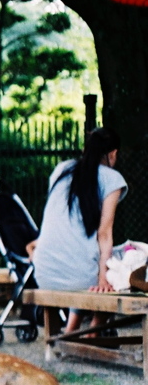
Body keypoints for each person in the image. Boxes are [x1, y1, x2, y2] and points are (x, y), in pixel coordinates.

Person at [29, 126, 128, 334]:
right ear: (113, 154)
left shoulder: (61, 169)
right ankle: (92, 330)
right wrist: (104, 279)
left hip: (44, 272)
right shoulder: (112, 179)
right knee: (127, 263)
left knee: (84, 260)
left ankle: (71, 330)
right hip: (79, 276)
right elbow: (105, 234)